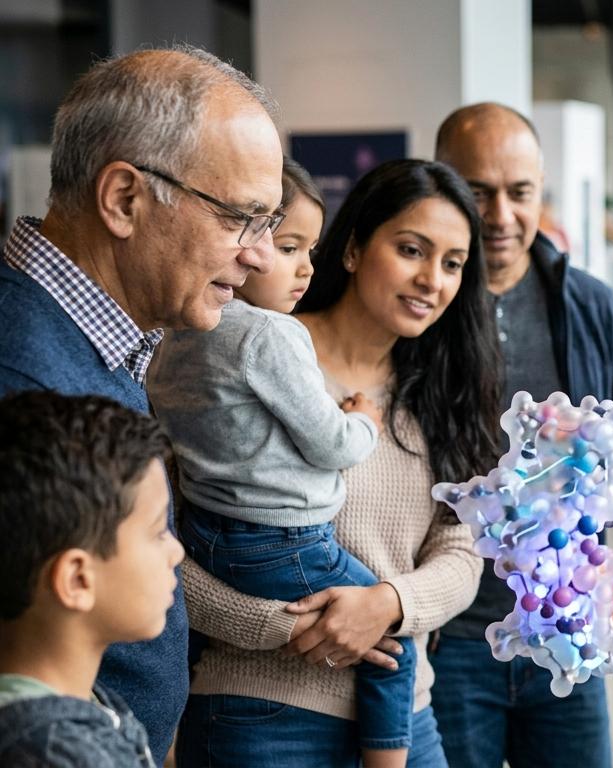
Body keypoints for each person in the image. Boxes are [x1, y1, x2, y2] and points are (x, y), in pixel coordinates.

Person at [0, 45, 282, 762]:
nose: (259, 256)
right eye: (239, 218)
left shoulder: (93, 344)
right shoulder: (21, 374)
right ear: (125, 199)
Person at [174, 159, 495, 767]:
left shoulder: (443, 391)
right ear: (351, 250)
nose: (431, 279)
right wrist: (285, 627)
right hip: (259, 712)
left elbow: (461, 551)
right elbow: (169, 544)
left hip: (406, 722)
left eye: (452, 264)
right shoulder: (250, 356)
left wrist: (387, 606)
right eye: (410, 249)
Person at [148, 159, 416, 768]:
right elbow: (332, 445)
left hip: (204, 534)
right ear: (244, 245)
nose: (305, 268)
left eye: (310, 250)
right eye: (287, 246)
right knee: (396, 651)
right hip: (286, 544)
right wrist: (363, 422)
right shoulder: (271, 334)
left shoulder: (178, 332)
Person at [429, 102, 613, 768]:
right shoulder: (418, 308)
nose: (499, 215)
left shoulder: (589, 305)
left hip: (561, 626)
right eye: (475, 191)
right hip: (450, 633)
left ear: (540, 193)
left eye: (518, 192)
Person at [0, 392, 185, 767]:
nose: (177, 553)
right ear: (77, 580)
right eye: (157, 533)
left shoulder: (85, 704)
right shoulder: (52, 753)